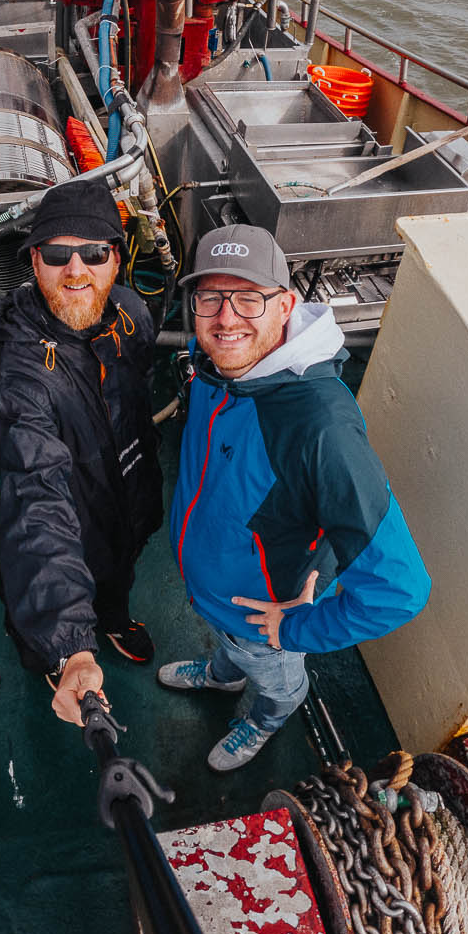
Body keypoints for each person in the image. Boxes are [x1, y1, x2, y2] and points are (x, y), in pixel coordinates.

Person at [159, 223, 430, 772]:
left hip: (266, 620)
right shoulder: (217, 365)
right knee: (231, 648)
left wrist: (295, 629)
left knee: (276, 680)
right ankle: (222, 675)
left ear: (286, 306)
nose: (226, 319)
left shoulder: (321, 429)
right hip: (212, 592)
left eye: (249, 299)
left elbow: (399, 589)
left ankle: (265, 719)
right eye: (210, 298)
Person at [0, 177, 163, 725]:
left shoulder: (131, 314)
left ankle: (114, 617)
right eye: (58, 254)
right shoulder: (19, 370)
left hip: (127, 492)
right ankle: (51, 655)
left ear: (117, 260)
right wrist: (72, 648)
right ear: (35, 262)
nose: (76, 269)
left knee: (120, 566)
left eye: (94, 252)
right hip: (67, 516)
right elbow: (37, 498)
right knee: (41, 594)